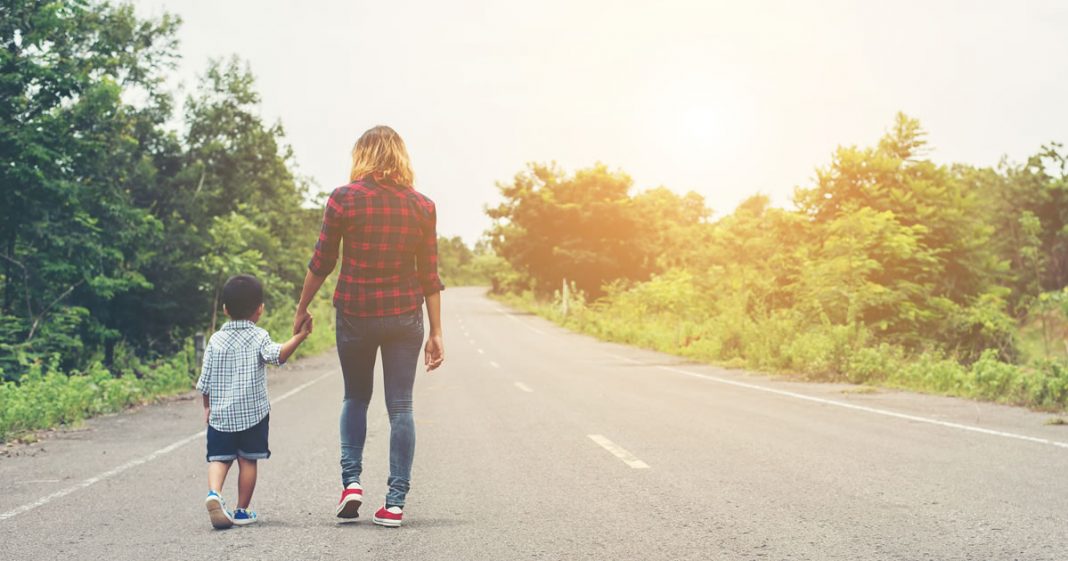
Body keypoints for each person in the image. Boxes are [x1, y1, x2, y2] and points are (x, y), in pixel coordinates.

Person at [294, 125, 444, 527]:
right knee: (401, 407)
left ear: (362, 155)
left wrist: (301, 307)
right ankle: (394, 503)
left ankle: (352, 484)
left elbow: (321, 262)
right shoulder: (422, 206)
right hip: (403, 316)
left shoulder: (344, 199)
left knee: (355, 398)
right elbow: (429, 275)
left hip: (355, 315)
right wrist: (436, 331)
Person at [197, 274, 313, 529]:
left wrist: (207, 407)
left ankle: (214, 494)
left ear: (225, 309)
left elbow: (204, 380)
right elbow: (278, 355)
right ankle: (241, 511)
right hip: (253, 415)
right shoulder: (259, 336)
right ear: (259, 309)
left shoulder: (215, 340)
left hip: (221, 415)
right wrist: (300, 337)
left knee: (219, 458)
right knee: (247, 460)